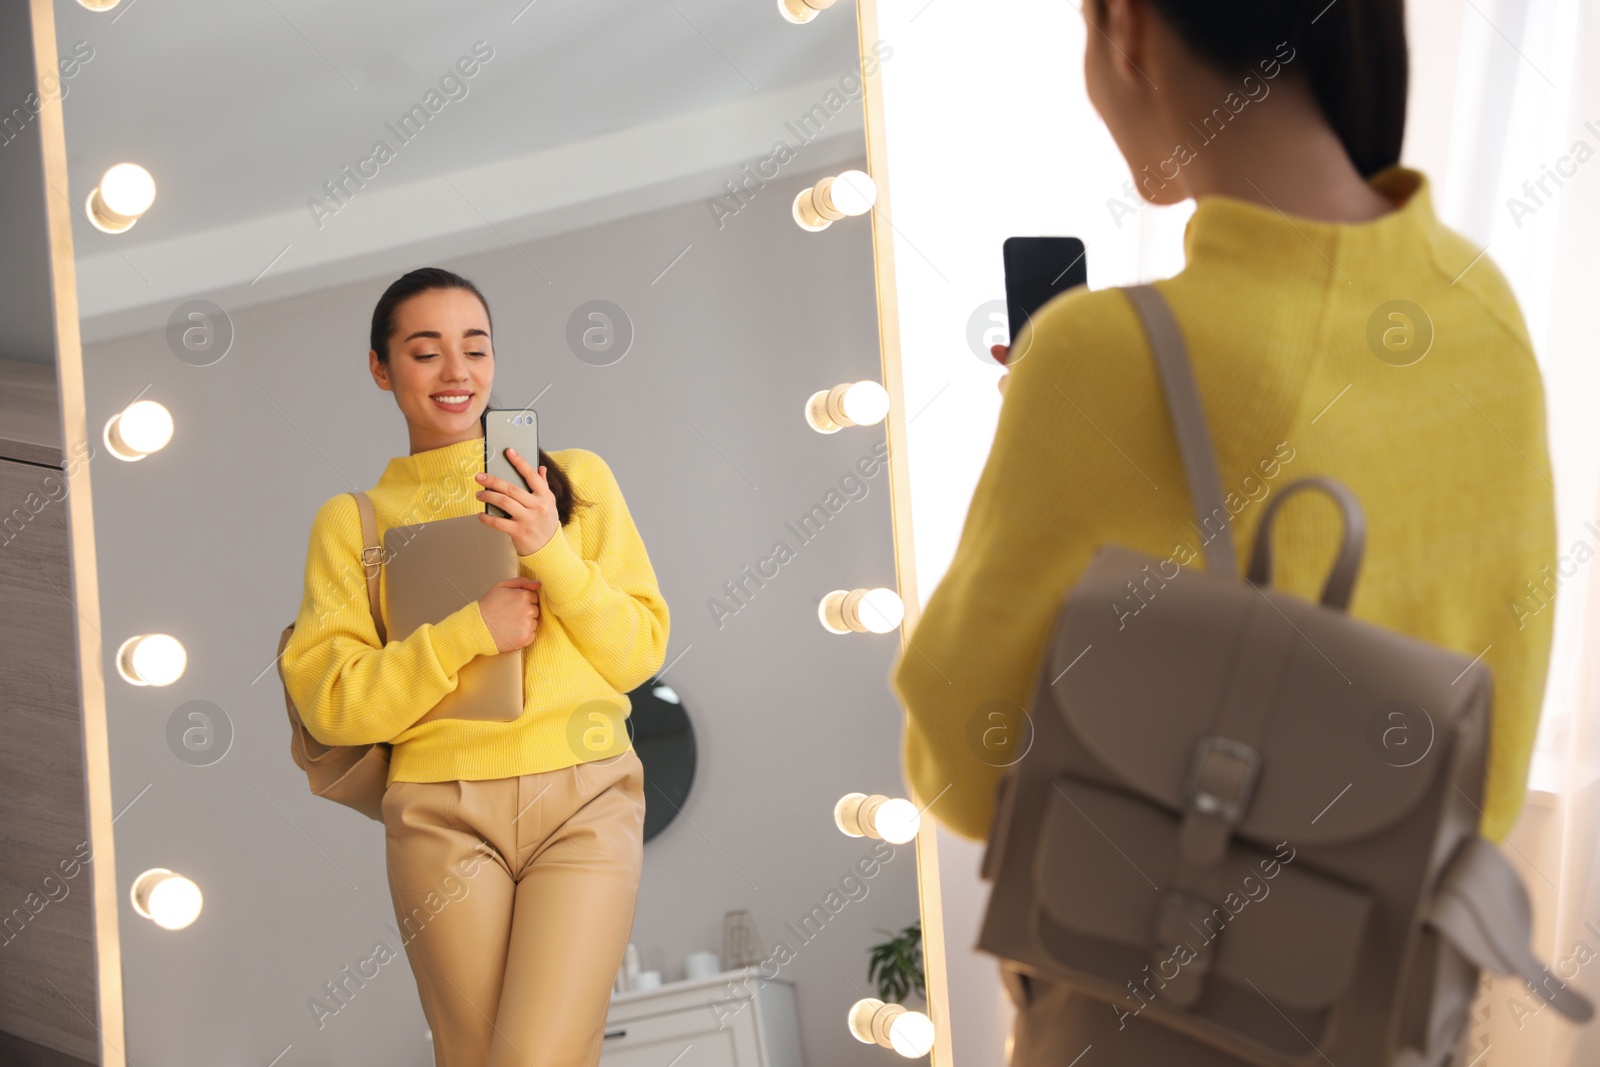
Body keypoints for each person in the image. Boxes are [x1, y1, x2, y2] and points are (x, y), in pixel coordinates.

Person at [888, 0, 1555, 1062]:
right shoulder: (1483, 317)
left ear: (1132, 32)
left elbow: (964, 772)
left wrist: (1050, 437)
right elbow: (1491, 772)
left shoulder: (1096, 356)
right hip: (1371, 1018)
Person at [280, 267, 670, 1067]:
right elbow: (334, 704)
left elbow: (637, 652)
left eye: (475, 348)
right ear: (381, 369)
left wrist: (547, 549)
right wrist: (470, 631)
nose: (457, 373)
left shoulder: (576, 479)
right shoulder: (354, 521)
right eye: (426, 352)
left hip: (586, 796)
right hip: (438, 813)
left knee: (535, 1056)